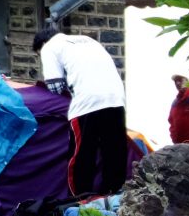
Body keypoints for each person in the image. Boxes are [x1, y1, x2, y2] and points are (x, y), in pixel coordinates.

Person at [36, 24, 129, 197]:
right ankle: (114, 197)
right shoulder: (88, 41)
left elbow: (55, 86)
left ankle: (79, 200)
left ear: (41, 45)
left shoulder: (48, 47)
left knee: (82, 156)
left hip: (87, 103)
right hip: (116, 99)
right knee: (114, 153)